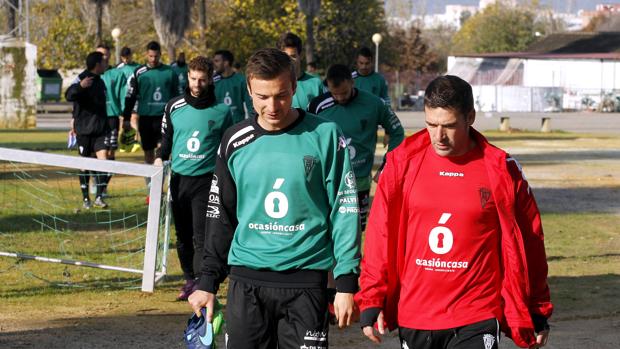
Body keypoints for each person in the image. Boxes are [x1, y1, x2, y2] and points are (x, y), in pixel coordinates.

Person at [356, 75, 553, 349]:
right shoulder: (402, 164)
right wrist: (372, 297)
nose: (438, 136)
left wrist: (536, 307)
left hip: (477, 312)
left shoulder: (500, 170)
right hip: (417, 313)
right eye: (430, 125)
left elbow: (530, 241)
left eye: (448, 126)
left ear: (470, 117)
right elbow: (380, 236)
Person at [188, 48, 360, 348]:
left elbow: (344, 212)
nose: (272, 106)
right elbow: (220, 215)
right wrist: (207, 282)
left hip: (306, 283)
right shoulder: (234, 139)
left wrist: (346, 282)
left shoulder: (326, 135)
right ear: (249, 90)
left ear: (294, 87)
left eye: (281, 95)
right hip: (246, 282)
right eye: (262, 97)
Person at [154, 56, 233, 301]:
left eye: (202, 80)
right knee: (182, 236)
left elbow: (227, 147)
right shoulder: (173, 106)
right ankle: (188, 279)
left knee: (202, 236)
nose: (197, 84)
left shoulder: (222, 111)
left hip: (205, 181)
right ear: (187, 77)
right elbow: (166, 139)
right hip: (179, 180)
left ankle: (202, 282)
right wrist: (159, 157)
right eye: (193, 79)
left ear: (210, 80)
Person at [308, 64, 404, 231]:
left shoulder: (374, 103)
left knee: (356, 230)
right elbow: (308, 139)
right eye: (334, 93)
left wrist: (385, 167)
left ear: (352, 82)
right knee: (327, 227)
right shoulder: (317, 106)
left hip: (359, 180)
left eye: (344, 93)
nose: (339, 98)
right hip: (328, 179)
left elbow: (397, 132)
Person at [123, 41, 179, 166]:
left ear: (160, 55)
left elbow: (177, 98)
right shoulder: (139, 72)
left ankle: (160, 183)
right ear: (146, 55)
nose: (153, 59)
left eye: (156, 56)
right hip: (145, 119)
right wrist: (126, 118)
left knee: (162, 152)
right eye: (151, 56)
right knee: (148, 153)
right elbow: (130, 97)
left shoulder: (170, 72)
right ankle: (150, 184)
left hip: (163, 118)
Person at [65, 51, 110, 209]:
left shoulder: (101, 81)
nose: (106, 64)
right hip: (84, 130)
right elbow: (68, 95)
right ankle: (86, 200)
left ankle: (99, 197)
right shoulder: (82, 78)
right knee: (84, 164)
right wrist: (80, 87)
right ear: (97, 65)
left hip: (99, 130)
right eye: (104, 62)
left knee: (104, 161)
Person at [277, 32, 323, 110]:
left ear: (300, 56)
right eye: (285, 56)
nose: (289, 60)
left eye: (293, 56)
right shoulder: (273, 84)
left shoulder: (316, 83)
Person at [213, 49, 253, 124]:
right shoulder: (212, 82)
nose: (214, 64)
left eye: (217, 61)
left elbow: (250, 106)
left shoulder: (241, 80)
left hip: (237, 125)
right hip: (218, 126)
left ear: (226, 63)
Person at [116, 46, 142, 153]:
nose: (126, 60)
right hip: (123, 99)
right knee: (123, 121)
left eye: (128, 57)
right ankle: (124, 143)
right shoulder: (118, 69)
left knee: (134, 118)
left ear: (131, 56)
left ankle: (136, 142)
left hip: (134, 98)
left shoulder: (138, 67)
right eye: (124, 58)